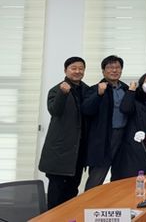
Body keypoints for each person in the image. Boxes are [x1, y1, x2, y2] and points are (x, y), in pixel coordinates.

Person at [39, 57, 89, 209]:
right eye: (73, 68)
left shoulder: (87, 90)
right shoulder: (56, 90)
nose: (77, 71)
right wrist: (62, 93)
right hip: (59, 152)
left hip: (78, 152)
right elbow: (55, 111)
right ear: (65, 70)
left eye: (81, 68)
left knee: (72, 192)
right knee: (56, 194)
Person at [82, 55, 129, 189]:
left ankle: (115, 201)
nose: (114, 70)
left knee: (121, 174)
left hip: (123, 136)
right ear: (103, 71)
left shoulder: (126, 89)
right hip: (103, 137)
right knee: (97, 175)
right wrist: (98, 94)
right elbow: (86, 110)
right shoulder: (94, 89)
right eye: (110, 67)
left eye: (117, 67)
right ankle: (89, 200)